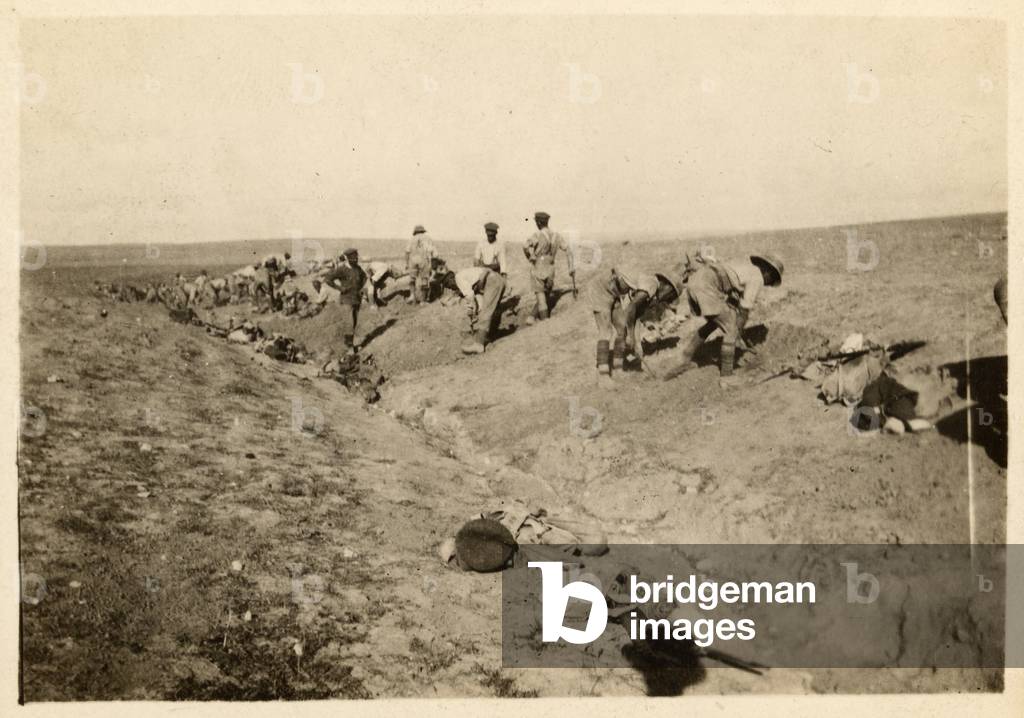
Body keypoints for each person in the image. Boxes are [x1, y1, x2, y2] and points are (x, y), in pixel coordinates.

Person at [677, 253, 785, 387]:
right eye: (771, 280)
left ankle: (686, 357)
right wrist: (737, 332)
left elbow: (732, 297)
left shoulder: (745, 267)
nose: (768, 284)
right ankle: (727, 376)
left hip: (696, 281)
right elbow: (745, 308)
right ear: (768, 272)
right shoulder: (757, 277)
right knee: (731, 329)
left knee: (714, 322)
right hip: (707, 286)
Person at [587, 267, 686, 375]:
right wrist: (631, 336)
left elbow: (635, 317)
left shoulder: (651, 292)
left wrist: (637, 343)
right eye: (671, 295)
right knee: (606, 331)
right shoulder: (652, 284)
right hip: (601, 288)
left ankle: (618, 368)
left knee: (622, 330)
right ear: (667, 287)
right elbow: (631, 308)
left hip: (614, 292)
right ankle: (603, 374)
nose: (668, 299)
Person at [440, 266, 507, 354]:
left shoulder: (458, 278)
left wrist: (472, 311)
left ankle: (479, 344)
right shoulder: (467, 278)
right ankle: (490, 335)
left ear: (451, 279)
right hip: (497, 279)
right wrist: (473, 311)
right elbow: (476, 301)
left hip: (492, 280)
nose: (451, 288)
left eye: (449, 285)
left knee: (486, 312)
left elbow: (470, 296)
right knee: (491, 310)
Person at [524, 211, 575, 323]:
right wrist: (571, 267)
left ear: (538, 222)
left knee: (541, 298)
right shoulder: (556, 236)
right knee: (545, 293)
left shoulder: (537, 235)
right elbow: (568, 250)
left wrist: (530, 256)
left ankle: (545, 323)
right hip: (551, 267)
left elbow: (525, 246)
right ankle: (532, 317)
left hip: (538, 266)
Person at [323, 248, 367, 357]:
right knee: (350, 322)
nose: (356, 259)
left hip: (356, 299)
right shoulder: (341, 269)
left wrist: (362, 289)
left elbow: (364, 278)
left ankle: (348, 343)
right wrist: (339, 288)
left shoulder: (358, 268)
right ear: (347, 258)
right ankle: (350, 348)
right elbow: (328, 279)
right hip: (346, 299)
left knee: (354, 322)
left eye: (356, 257)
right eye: (353, 258)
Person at [405, 225, 437, 304]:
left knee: (412, 279)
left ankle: (412, 296)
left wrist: (407, 263)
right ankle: (423, 301)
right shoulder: (428, 238)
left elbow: (407, 252)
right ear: (423, 231)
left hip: (413, 260)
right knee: (424, 279)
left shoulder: (411, 239)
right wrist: (434, 263)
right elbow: (434, 253)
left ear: (415, 232)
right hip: (424, 260)